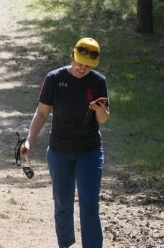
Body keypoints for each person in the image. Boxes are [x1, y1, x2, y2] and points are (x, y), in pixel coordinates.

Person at [20, 38, 110, 248]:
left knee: (89, 204)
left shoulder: (98, 81)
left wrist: (100, 110)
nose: (82, 68)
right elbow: (42, 113)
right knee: (63, 204)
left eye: (88, 65)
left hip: (89, 151)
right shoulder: (54, 78)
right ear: (72, 56)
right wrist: (29, 141)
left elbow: (103, 119)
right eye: (79, 62)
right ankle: (66, 244)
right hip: (60, 151)